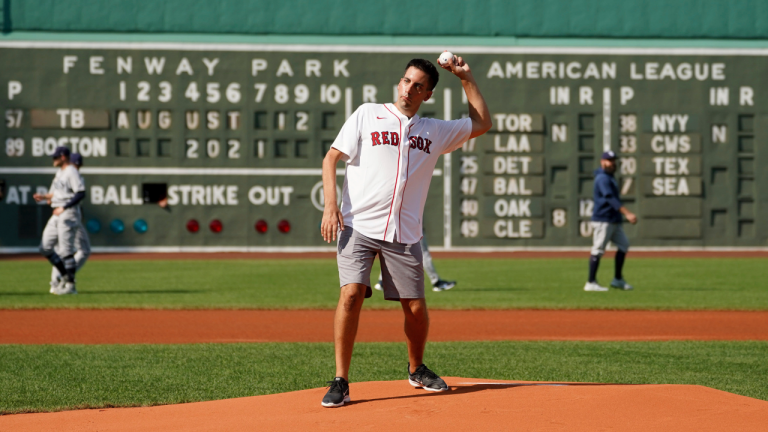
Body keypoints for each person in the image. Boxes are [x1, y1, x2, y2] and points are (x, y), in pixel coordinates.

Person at [319, 54, 491, 407]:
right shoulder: (368, 114)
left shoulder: (435, 131)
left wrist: (465, 77)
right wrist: (330, 205)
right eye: (405, 81)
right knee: (351, 294)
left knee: (415, 309)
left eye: (418, 86)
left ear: (427, 95)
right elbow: (331, 158)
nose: (408, 89)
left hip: (403, 232)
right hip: (357, 225)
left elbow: (482, 122)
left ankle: (416, 369)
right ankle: (340, 380)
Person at [33, 147, 86, 295]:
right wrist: (44, 197)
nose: (53, 160)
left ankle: (70, 286)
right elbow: (55, 193)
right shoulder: (60, 173)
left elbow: (81, 193)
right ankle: (64, 275)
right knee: (45, 247)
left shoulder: (71, 171)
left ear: (63, 157)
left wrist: (64, 207)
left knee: (65, 250)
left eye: (55, 157)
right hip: (56, 212)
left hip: (67, 213)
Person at [584, 151, 638, 292]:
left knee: (624, 245)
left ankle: (618, 280)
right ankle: (591, 282)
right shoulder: (602, 178)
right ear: (602, 162)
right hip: (603, 219)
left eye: (613, 160)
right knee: (598, 249)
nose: (612, 163)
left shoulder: (609, 177)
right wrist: (627, 213)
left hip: (613, 220)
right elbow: (609, 198)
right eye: (609, 160)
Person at [49, 153, 91, 293]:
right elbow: (79, 195)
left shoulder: (63, 176)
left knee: (62, 250)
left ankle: (57, 280)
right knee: (75, 250)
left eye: (78, 165)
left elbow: (52, 197)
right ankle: (63, 277)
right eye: (75, 164)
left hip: (63, 215)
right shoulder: (67, 175)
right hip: (68, 215)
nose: (76, 167)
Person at [374, 227, 456, 292]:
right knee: (423, 253)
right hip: (412, 227)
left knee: (393, 254)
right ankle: (437, 282)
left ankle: (382, 282)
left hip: (397, 227)